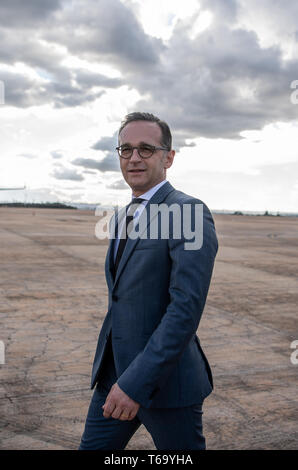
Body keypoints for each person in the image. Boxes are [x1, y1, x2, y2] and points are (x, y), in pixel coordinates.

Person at [78, 112, 218, 450]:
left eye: (146, 149)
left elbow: (184, 309)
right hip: (114, 375)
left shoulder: (188, 212)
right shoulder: (124, 214)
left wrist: (136, 384)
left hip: (165, 382)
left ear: (168, 157)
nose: (134, 158)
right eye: (126, 149)